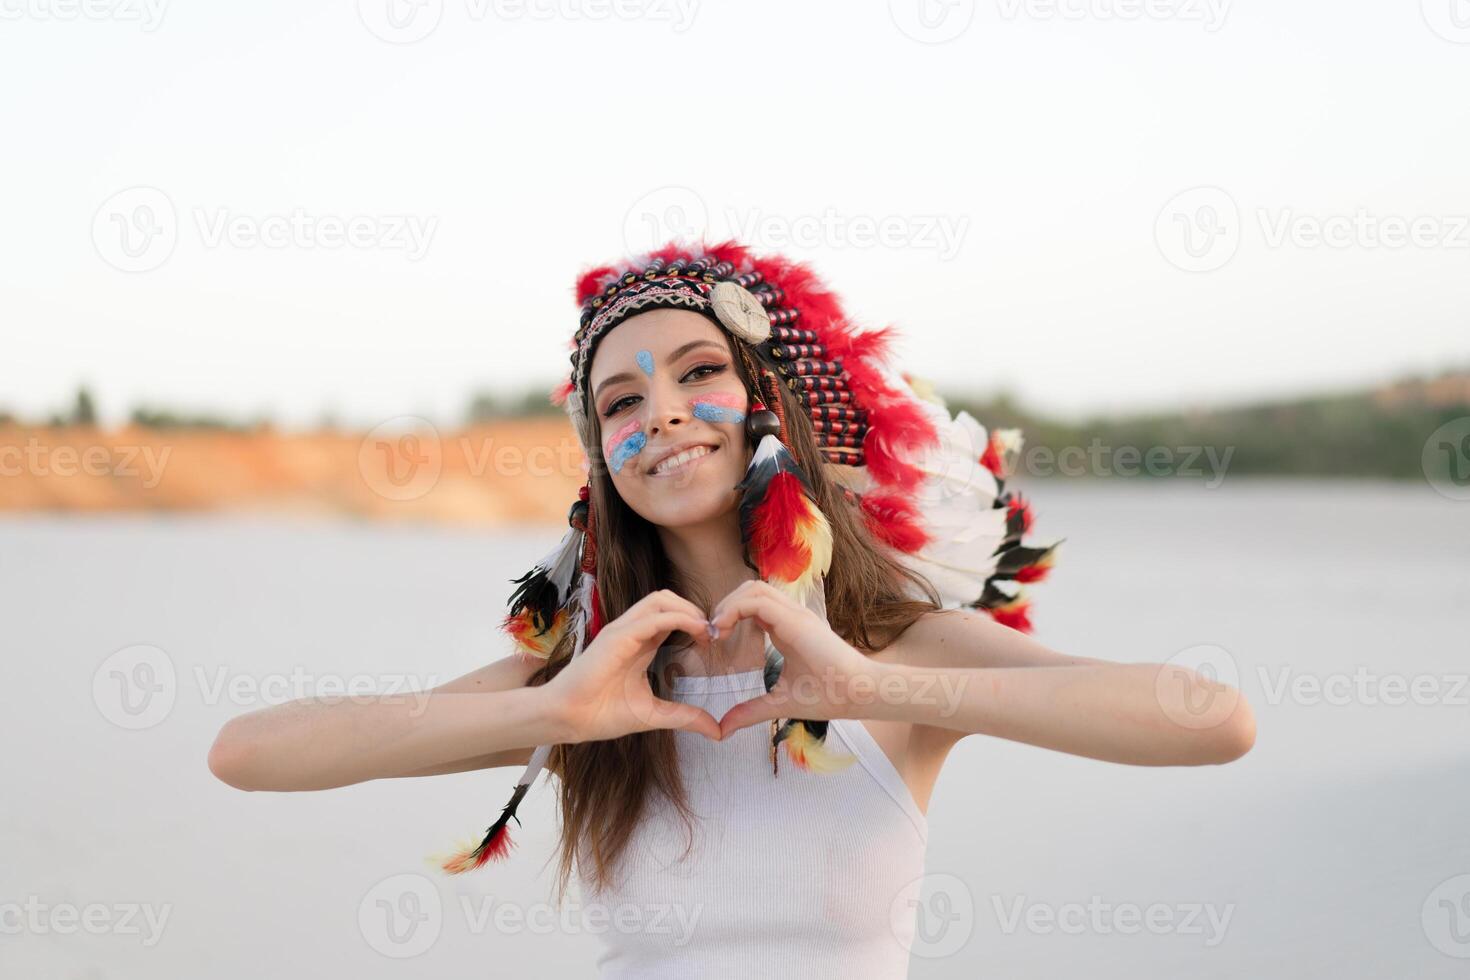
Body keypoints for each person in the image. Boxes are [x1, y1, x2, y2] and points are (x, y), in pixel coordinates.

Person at [208, 240, 1255, 978]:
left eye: (697, 372)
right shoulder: (591, 683)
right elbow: (248, 751)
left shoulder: (894, 646)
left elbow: (1213, 719)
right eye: (619, 399)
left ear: (769, 404)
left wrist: (872, 683)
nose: (660, 409)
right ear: (601, 462)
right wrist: (550, 715)